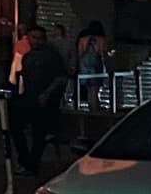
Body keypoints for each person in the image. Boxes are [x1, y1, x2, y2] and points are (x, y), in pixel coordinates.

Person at [12, 24, 68, 173]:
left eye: (39, 38)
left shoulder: (51, 56)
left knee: (39, 132)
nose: (36, 41)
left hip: (46, 100)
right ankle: (26, 160)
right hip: (30, 96)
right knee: (17, 126)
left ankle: (31, 164)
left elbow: (61, 77)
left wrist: (47, 93)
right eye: (34, 38)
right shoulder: (28, 57)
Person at [75, 20, 109, 111]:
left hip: (84, 67)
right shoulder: (101, 39)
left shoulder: (82, 39)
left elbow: (79, 54)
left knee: (89, 90)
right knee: (95, 90)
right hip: (96, 66)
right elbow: (103, 54)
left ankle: (91, 109)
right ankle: (95, 110)